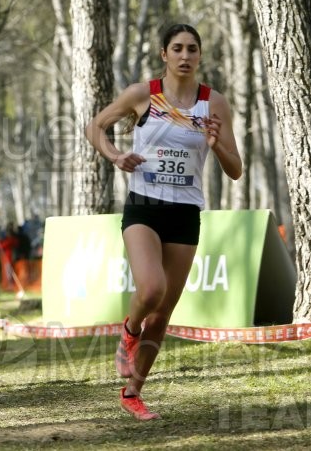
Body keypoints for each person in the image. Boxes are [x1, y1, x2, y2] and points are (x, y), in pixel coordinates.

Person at [85, 23, 242, 420]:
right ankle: (129, 329)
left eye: (192, 49)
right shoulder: (144, 95)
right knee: (151, 289)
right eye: (177, 48)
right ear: (164, 55)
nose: (185, 56)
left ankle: (133, 392)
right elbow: (95, 126)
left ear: (200, 56)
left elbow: (235, 169)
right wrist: (116, 156)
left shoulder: (214, 103)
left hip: (185, 213)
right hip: (144, 207)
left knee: (164, 313)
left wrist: (216, 143)